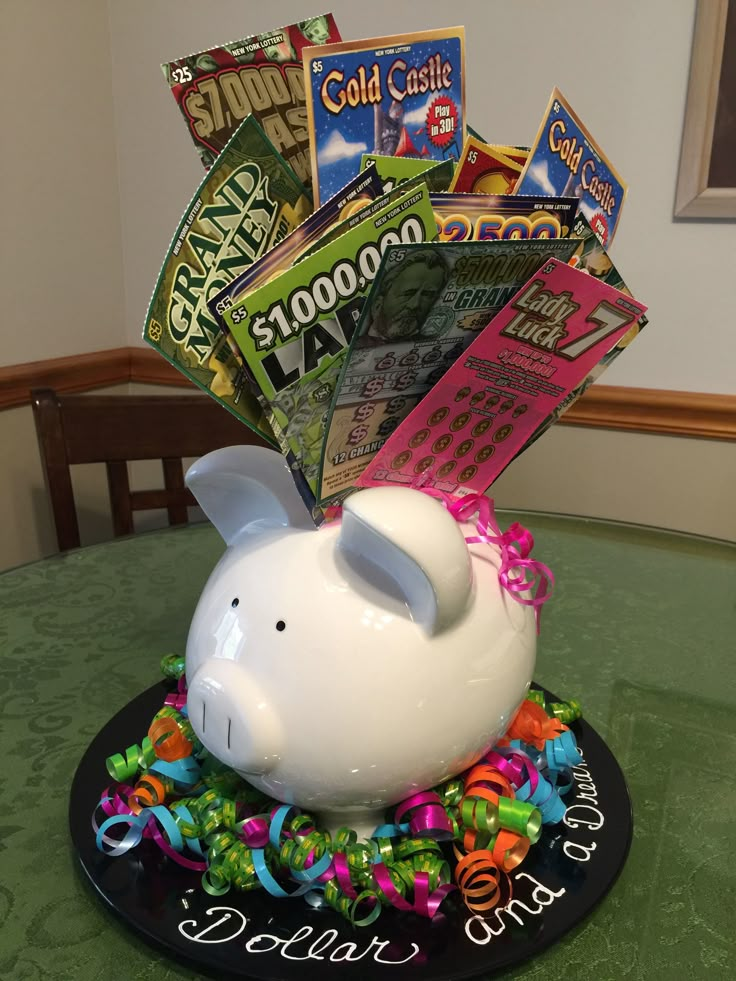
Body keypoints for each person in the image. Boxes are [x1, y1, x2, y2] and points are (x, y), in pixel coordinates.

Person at [358, 250, 450, 347]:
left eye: (427, 295)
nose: (415, 305)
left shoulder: (434, 344)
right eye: (408, 294)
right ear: (377, 305)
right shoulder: (357, 348)